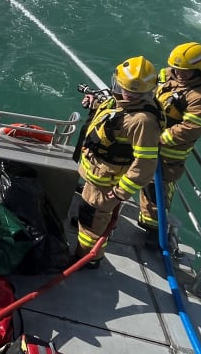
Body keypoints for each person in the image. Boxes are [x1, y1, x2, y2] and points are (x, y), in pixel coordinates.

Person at [75, 56, 161, 268]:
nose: (125, 94)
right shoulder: (122, 102)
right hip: (97, 174)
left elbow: (146, 163)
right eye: (123, 88)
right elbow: (112, 121)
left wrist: (121, 191)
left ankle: (86, 258)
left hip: (105, 181)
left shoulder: (143, 121)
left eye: (132, 92)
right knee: (92, 214)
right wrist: (94, 105)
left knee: (91, 221)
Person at [138, 42, 201, 236]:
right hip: (146, 138)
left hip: (166, 153)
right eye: (176, 68)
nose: (178, 73)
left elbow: (191, 128)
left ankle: (151, 230)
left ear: (199, 70)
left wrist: (159, 138)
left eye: (185, 71)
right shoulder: (168, 74)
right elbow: (150, 88)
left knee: (155, 192)